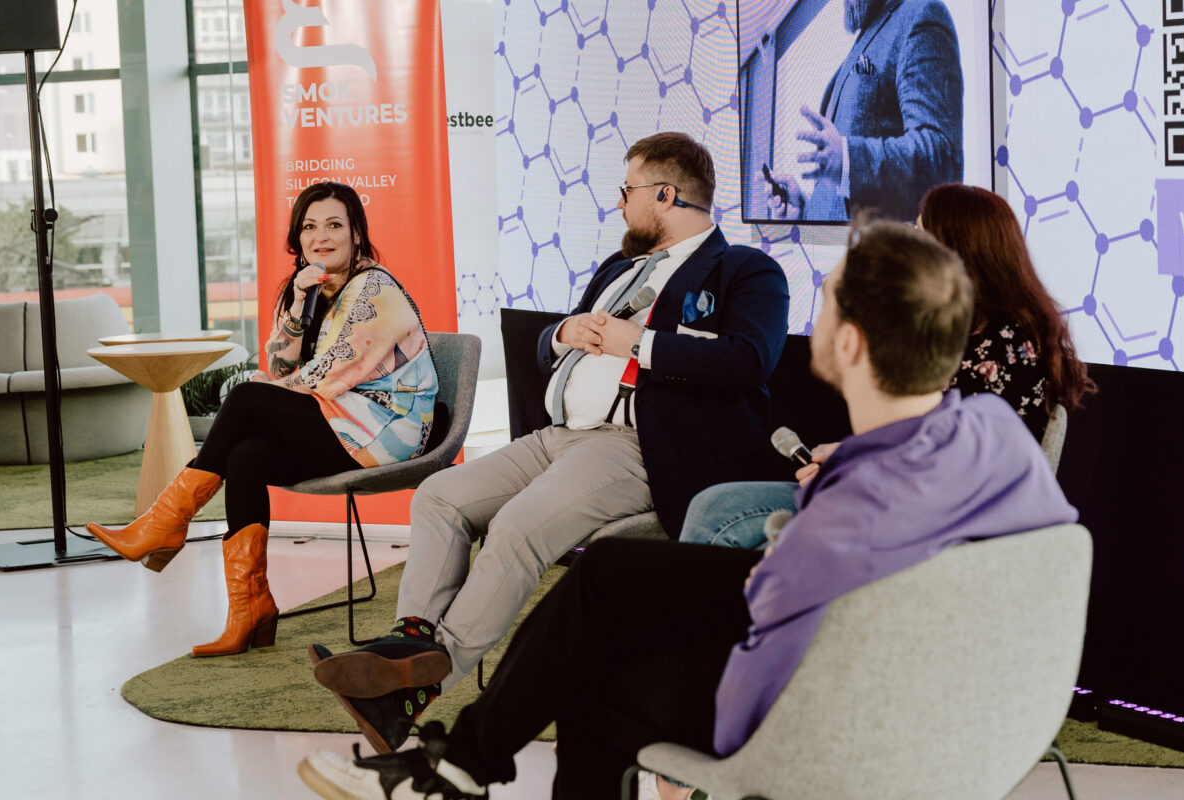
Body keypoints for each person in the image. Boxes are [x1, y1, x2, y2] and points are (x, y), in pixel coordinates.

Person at [294, 219, 1079, 800]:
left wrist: (800, 529)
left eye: (831, 298)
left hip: (822, 705)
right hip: (918, 671)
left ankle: (450, 765)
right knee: (610, 570)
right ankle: (456, 765)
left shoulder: (845, 517)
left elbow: (751, 680)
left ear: (848, 345)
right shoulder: (988, 435)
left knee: (599, 683)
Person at [305, 131, 790, 753]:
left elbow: (751, 360)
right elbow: (548, 351)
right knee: (438, 496)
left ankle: (415, 686)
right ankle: (410, 643)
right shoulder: (618, 269)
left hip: (635, 447)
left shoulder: (746, 270)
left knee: (518, 526)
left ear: (666, 194)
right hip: (557, 436)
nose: (619, 204)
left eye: (628, 191)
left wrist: (634, 344)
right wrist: (562, 332)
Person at [86, 181, 438, 657]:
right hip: (341, 420)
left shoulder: (373, 288)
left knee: (248, 400)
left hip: (384, 430)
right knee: (246, 455)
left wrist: (258, 396)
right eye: (310, 227)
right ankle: (249, 610)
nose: (321, 236)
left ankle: (165, 523)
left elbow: (325, 375)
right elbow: (284, 367)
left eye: (335, 225)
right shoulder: (320, 288)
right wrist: (297, 303)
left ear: (357, 233)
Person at [680, 182, 1095, 551]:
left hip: (925, 519)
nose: (910, 242)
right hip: (910, 499)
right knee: (713, 505)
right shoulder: (1000, 329)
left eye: (919, 232)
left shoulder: (995, 339)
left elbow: (949, 464)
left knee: (716, 516)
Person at [764, 0, 963, 222]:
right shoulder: (867, 38)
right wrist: (807, 210)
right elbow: (845, 196)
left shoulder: (921, 14)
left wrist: (849, 160)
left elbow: (941, 158)